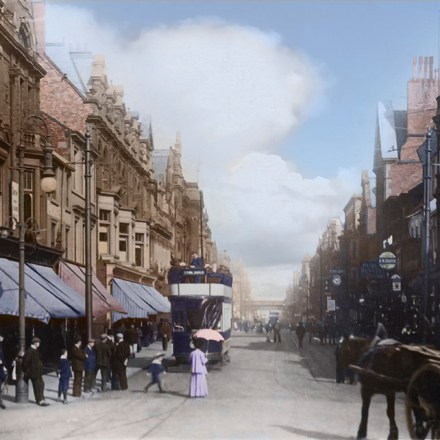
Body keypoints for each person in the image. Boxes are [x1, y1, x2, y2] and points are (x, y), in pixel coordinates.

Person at [22, 337, 49, 406]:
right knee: (37, 386)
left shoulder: (36, 350)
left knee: (41, 384)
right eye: (38, 342)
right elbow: (25, 362)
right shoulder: (30, 351)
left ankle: (42, 399)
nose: (39, 344)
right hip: (33, 372)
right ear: (35, 343)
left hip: (38, 371)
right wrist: (28, 370)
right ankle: (39, 400)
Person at [0, 335, 7, 409]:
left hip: (1, 370)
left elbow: (3, 359)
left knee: (0, 387)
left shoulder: (1, 350)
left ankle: (0, 400)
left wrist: (4, 366)